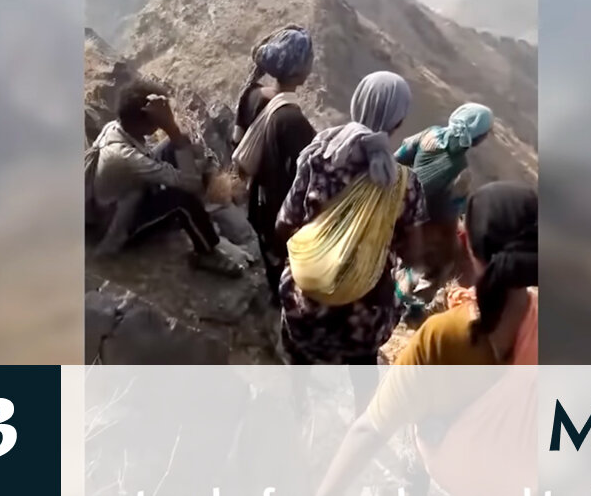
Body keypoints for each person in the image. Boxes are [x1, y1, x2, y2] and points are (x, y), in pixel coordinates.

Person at [314, 182, 539, 496]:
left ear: (466, 243)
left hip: (451, 481)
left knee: (414, 426)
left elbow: (369, 430)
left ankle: (413, 478)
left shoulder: (443, 336)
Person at [275, 70, 427, 413]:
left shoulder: (317, 157)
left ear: (357, 104)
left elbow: (283, 224)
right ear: (398, 121)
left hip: (305, 304)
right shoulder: (404, 184)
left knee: (296, 360)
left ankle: (297, 408)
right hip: (361, 317)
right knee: (364, 368)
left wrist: (316, 258)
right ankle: (362, 422)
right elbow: (414, 255)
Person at [87, 79, 244, 277]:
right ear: (144, 121)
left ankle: (197, 217)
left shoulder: (116, 127)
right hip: (120, 224)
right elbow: (191, 185)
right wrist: (171, 128)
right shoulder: (123, 156)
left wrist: (177, 138)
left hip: (128, 194)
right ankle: (206, 252)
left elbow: (174, 154)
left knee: (173, 145)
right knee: (182, 200)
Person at [232, 25, 317, 305]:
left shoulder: (252, 95)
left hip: (256, 204)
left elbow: (237, 140)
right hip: (278, 215)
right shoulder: (293, 121)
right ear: (299, 72)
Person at [394, 103, 493, 300]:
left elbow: (397, 158)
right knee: (453, 248)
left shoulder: (429, 135)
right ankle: (423, 286)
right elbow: (448, 215)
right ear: (477, 138)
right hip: (419, 222)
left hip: (398, 203)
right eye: (486, 133)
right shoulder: (462, 171)